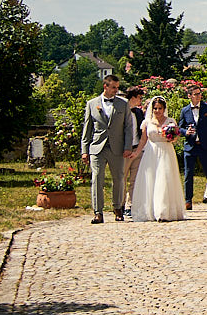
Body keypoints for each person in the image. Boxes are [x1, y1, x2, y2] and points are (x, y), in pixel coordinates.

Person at [79, 73, 136, 223]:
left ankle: (118, 208)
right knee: (97, 178)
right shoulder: (92, 104)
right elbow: (87, 128)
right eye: (113, 87)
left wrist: (127, 146)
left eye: (117, 88)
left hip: (117, 147)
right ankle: (98, 212)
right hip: (98, 147)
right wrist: (84, 150)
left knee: (118, 178)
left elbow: (128, 128)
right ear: (105, 86)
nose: (116, 90)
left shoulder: (123, 104)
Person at [129, 97, 185, 222]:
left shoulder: (170, 121)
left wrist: (172, 137)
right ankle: (150, 209)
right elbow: (143, 140)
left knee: (165, 179)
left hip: (166, 151)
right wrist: (136, 153)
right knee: (151, 180)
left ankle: (164, 211)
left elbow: (176, 139)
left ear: (164, 109)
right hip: (151, 152)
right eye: (155, 108)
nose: (157, 111)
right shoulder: (147, 122)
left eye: (160, 108)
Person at [179, 84, 207, 209]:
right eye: (196, 94)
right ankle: (188, 200)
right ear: (189, 96)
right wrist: (185, 132)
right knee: (188, 174)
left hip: (205, 146)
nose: (199, 96)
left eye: (199, 93)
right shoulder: (185, 111)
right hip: (190, 146)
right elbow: (180, 127)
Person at [122, 85, 147, 215]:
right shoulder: (121, 111)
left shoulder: (138, 112)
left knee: (135, 180)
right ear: (133, 97)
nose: (141, 100)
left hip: (137, 149)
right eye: (139, 97)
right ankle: (119, 205)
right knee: (122, 179)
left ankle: (130, 205)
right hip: (124, 151)